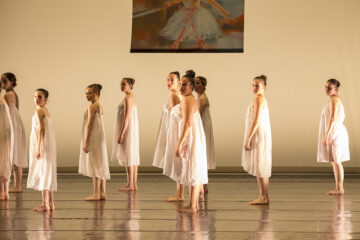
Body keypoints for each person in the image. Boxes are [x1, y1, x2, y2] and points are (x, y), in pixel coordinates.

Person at [163, 73, 208, 212]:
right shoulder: (186, 99)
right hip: (189, 137)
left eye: (185, 84)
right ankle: (192, 204)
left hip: (190, 138)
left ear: (192, 87)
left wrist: (180, 143)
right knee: (190, 168)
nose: (181, 86)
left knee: (193, 167)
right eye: (180, 84)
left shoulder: (188, 100)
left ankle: (193, 205)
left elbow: (187, 123)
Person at [242, 75, 272, 205]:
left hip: (258, 134)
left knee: (260, 164)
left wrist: (248, 138)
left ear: (264, 87)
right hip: (261, 133)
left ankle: (263, 196)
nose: (254, 88)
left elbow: (256, 121)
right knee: (262, 164)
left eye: (257, 85)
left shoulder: (259, 99)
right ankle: (264, 196)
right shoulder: (261, 99)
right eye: (253, 85)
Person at [317, 79, 350, 195]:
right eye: (325, 87)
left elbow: (332, 118)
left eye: (329, 88)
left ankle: (340, 188)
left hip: (335, 133)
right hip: (335, 131)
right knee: (334, 161)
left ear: (335, 89)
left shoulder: (334, 99)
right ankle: (338, 187)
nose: (326, 89)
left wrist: (327, 134)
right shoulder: (334, 99)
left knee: (336, 161)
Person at [27, 89, 57, 211]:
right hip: (48, 144)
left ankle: (46, 204)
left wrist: (39, 147)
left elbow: (41, 130)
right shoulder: (45, 111)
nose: (37, 99)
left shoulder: (39, 111)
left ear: (46, 99)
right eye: (35, 96)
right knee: (47, 171)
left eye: (40, 97)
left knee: (43, 170)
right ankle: (50, 203)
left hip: (43, 143)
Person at [79, 84, 110, 200]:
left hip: (94, 138)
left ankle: (96, 193)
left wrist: (86, 142)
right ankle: (103, 193)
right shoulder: (99, 106)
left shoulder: (92, 107)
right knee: (100, 163)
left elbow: (89, 125)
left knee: (94, 164)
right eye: (86, 93)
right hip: (100, 138)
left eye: (90, 93)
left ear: (96, 94)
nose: (87, 95)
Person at [161, 0, 230, 49]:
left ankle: (197, 40)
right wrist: (170, 3)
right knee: (186, 25)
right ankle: (179, 41)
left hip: (197, 12)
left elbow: (212, 2)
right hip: (186, 11)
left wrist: (222, 10)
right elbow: (177, 0)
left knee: (195, 24)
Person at [112, 78, 140, 191]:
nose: (121, 86)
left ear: (130, 85)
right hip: (130, 129)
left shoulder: (129, 98)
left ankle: (131, 184)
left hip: (128, 130)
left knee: (129, 155)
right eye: (120, 84)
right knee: (131, 155)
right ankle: (133, 184)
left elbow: (127, 117)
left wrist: (121, 134)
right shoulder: (129, 97)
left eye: (123, 84)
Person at [1, 73, 27, 193]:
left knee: (13, 153)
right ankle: (18, 185)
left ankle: (17, 185)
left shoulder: (8, 95)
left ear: (11, 82)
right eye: (1, 80)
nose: (2, 83)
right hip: (16, 125)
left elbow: (8, 113)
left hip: (12, 126)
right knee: (16, 154)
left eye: (5, 81)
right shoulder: (13, 94)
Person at [194, 76, 215, 193]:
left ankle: (203, 186)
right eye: (195, 83)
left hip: (203, 129)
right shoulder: (199, 98)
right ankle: (203, 185)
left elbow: (199, 118)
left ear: (203, 86)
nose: (196, 85)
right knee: (202, 156)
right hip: (203, 127)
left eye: (198, 83)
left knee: (201, 155)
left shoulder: (202, 99)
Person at [0, 86, 13, 201]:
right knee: (5, 161)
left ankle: (2, 192)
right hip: (6, 134)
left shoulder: (1, 100)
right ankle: (5, 192)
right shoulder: (2, 100)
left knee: (2, 161)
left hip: (2, 134)